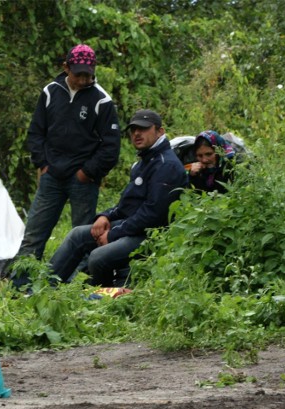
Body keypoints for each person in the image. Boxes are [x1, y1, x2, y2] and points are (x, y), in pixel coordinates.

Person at [48, 109, 188, 288]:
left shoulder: (165, 165)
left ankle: (102, 300)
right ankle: (44, 288)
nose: (137, 133)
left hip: (153, 234)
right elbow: (127, 205)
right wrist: (105, 216)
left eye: (144, 129)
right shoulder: (144, 162)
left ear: (160, 131)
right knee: (78, 235)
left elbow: (153, 215)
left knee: (98, 257)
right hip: (133, 227)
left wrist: (114, 234)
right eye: (134, 129)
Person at [15, 44, 121, 262]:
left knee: (82, 236)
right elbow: (36, 132)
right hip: (52, 175)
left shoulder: (102, 100)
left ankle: (76, 287)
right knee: (33, 235)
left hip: (83, 179)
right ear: (66, 67)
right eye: (78, 74)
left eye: (87, 75)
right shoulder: (49, 92)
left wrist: (87, 172)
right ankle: (20, 287)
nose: (83, 80)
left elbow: (111, 147)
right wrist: (42, 164)